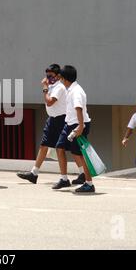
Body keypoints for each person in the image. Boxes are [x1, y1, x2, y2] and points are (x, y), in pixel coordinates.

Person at [17, 64, 86, 185]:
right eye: (47, 75)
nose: (48, 78)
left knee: (71, 148)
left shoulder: (59, 87)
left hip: (62, 120)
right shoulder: (53, 86)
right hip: (52, 119)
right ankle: (34, 173)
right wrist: (47, 88)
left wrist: (44, 88)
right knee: (44, 145)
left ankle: (81, 174)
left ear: (59, 76)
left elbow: (49, 102)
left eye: (51, 76)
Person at [53, 65, 95, 193]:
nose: (59, 80)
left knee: (80, 155)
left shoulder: (76, 91)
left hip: (78, 125)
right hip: (70, 124)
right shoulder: (70, 89)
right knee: (59, 147)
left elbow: (78, 108)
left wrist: (80, 126)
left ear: (65, 79)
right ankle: (64, 179)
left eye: (60, 78)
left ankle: (89, 183)